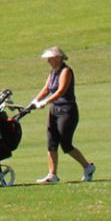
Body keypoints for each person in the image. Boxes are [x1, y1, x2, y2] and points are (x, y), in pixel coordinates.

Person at [27, 46, 94, 183]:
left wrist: (45, 102)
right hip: (55, 110)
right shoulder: (53, 72)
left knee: (66, 144)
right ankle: (52, 175)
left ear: (58, 58)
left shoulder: (66, 71)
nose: (48, 61)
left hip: (67, 110)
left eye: (50, 58)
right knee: (51, 142)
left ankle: (88, 167)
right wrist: (35, 101)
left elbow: (61, 91)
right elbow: (46, 89)